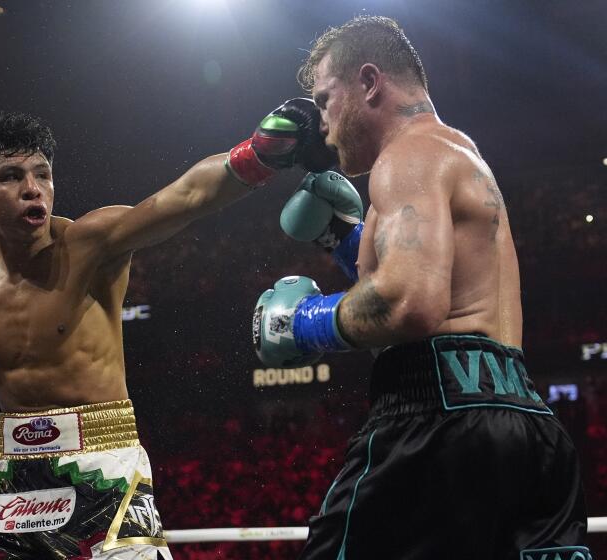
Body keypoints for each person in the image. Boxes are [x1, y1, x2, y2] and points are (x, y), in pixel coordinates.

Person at [0, 105, 333, 559]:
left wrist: (260, 155)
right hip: (11, 477)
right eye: (11, 177)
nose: (33, 188)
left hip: (103, 459)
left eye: (42, 174)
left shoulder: (94, 244)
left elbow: (187, 196)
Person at [252, 15, 591, 559]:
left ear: (369, 82)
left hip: (436, 423)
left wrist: (302, 324)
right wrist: (341, 237)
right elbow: (429, 282)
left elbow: (410, 304)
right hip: (528, 426)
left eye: (324, 99)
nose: (322, 124)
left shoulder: (406, 155)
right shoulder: (452, 153)